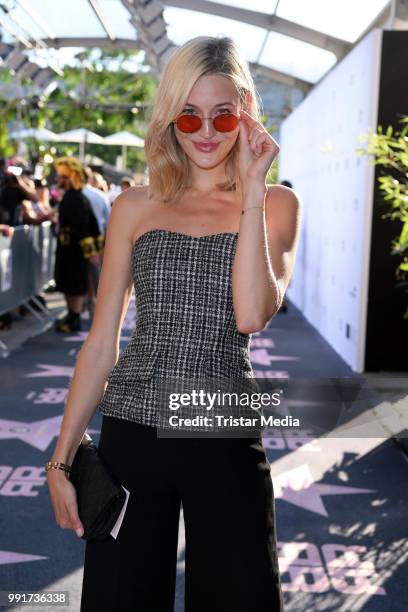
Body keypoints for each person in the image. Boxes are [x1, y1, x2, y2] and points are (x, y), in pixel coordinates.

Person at [46, 36, 302, 611]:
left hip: (224, 430)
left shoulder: (278, 203)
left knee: (241, 599)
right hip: (133, 431)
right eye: (188, 115)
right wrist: (61, 460)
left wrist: (253, 189)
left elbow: (251, 313)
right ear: (169, 120)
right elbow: (102, 340)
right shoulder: (136, 205)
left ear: (247, 113)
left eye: (223, 114)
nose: (205, 131)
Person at [53, 157, 103, 332]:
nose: (59, 180)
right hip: (69, 250)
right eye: (60, 176)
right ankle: (71, 318)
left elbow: (85, 227)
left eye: (64, 177)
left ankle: (73, 320)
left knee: (74, 285)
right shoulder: (73, 196)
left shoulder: (76, 198)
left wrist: (91, 253)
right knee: (69, 283)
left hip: (74, 252)